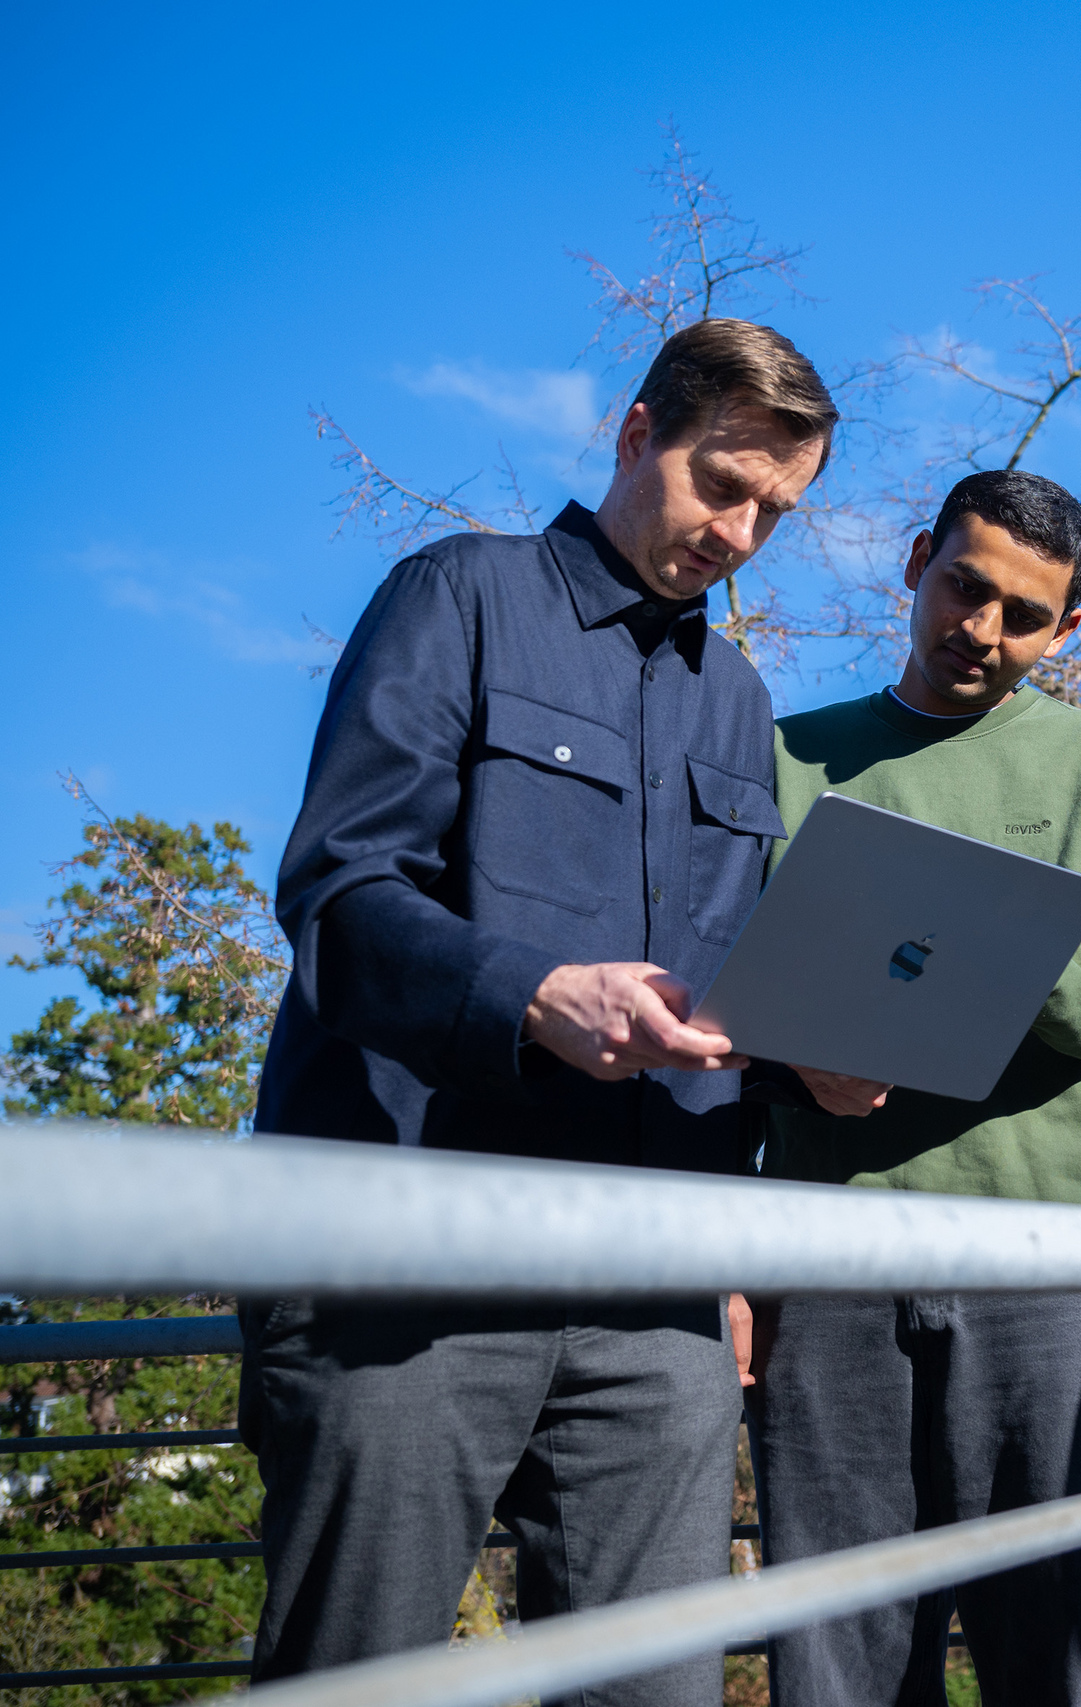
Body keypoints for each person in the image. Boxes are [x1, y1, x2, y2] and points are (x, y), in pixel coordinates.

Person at [244, 318, 836, 1701]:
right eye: (721, 485)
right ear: (639, 435)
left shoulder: (740, 701)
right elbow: (338, 892)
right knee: (359, 1681)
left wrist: (810, 1076)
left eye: (776, 511)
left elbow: (721, 998)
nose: (742, 534)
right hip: (402, 1264)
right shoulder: (454, 594)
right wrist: (528, 992)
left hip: (653, 1299)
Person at [744, 469, 1081, 1707]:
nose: (982, 632)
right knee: (836, 1654)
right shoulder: (784, 758)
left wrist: (902, 952)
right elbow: (728, 983)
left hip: (1046, 1257)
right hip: (827, 1260)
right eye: (964, 587)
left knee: (1052, 1648)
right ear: (914, 563)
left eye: (1024, 616)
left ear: (1067, 631)